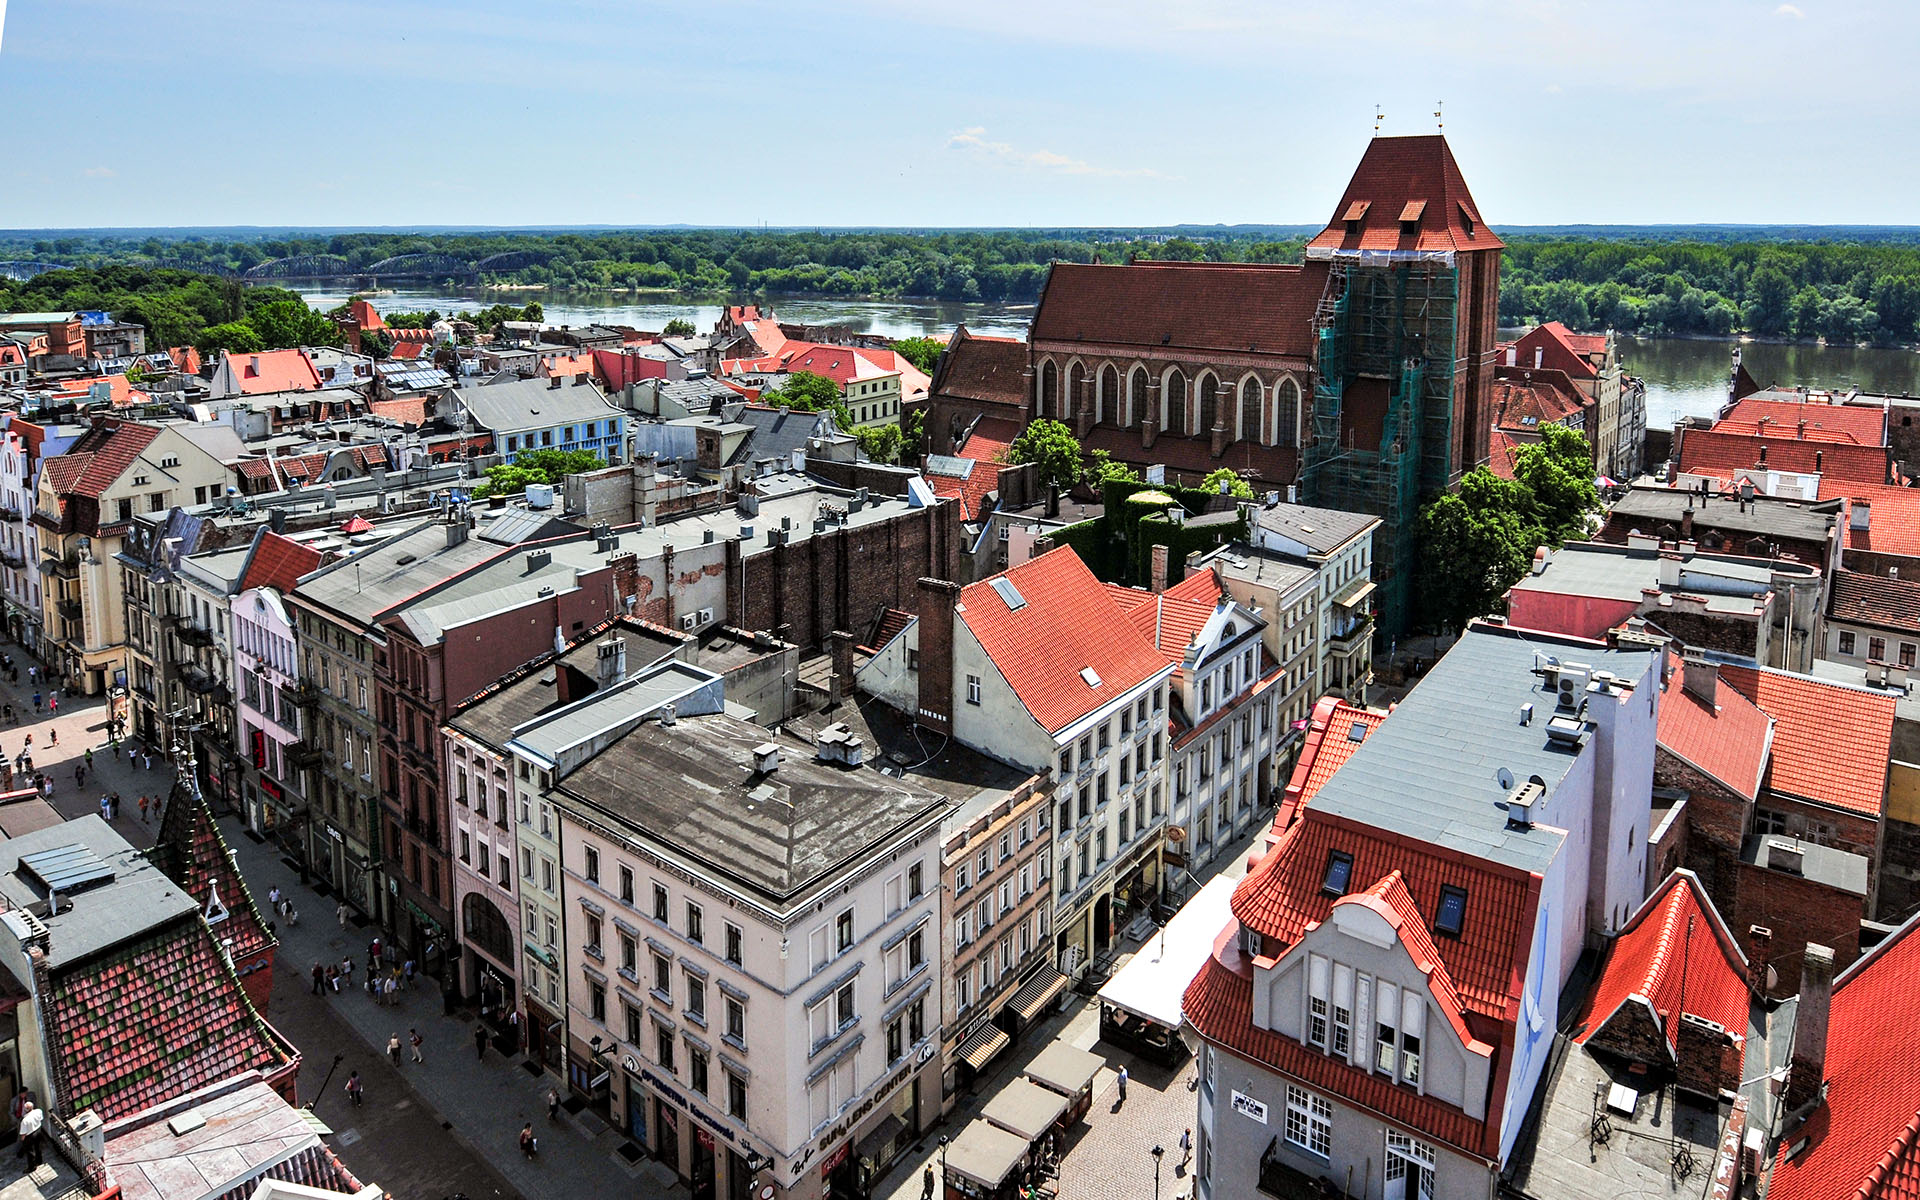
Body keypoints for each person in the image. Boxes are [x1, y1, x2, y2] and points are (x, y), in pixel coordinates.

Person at [15, 1100, 41, 1168]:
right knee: (37, 1147)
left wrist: (22, 1140)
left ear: (25, 1110)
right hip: (38, 1131)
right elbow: (41, 1119)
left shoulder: (25, 1120)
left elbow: (23, 1134)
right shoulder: (38, 1111)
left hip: (30, 1136)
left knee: (30, 1152)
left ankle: (32, 1167)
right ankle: (39, 1161)